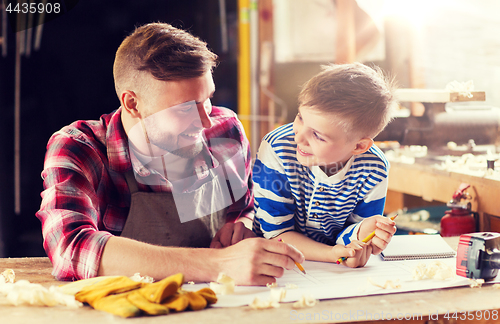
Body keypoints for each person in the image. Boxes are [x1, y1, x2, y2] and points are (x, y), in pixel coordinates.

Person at [36, 22, 304, 285]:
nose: (206, 122)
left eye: (207, 100)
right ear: (132, 103)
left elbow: (245, 209)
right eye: (186, 108)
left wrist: (241, 226)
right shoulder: (79, 147)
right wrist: (218, 265)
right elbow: (71, 248)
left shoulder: (226, 130)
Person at [252, 63, 398, 267]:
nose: (299, 138)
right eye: (300, 117)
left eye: (318, 136)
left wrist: (362, 236)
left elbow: (352, 235)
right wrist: (333, 254)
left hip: (328, 269)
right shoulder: (276, 148)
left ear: (358, 146)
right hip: (276, 261)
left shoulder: (374, 169)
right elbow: (275, 234)